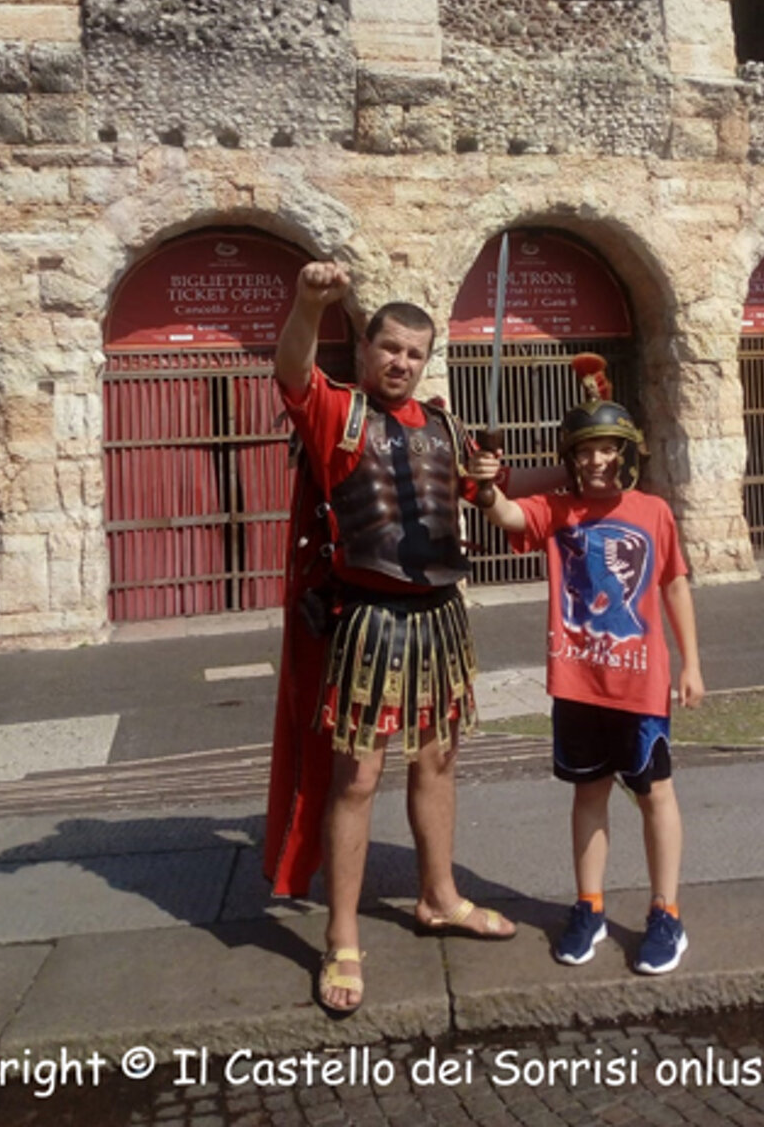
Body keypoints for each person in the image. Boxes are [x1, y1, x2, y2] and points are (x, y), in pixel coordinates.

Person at [268, 260, 515, 1016]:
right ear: (366, 349)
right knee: (358, 779)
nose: (401, 362)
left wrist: (494, 478)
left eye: (415, 352)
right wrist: (309, 301)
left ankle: (439, 896)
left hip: (442, 617)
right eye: (390, 348)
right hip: (367, 620)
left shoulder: (444, 424)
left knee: (438, 764)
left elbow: (481, 498)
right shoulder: (335, 414)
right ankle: (343, 936)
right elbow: (291, 369)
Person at [469, 354, 704, 975]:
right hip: (578, 681)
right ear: (571, 456)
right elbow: (509, 516)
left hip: (640, 683)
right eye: (585, 450)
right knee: (588, 794)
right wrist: (487, 486)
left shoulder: (653, 511)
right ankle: (590, 906)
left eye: (606, 449)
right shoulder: (557, 508)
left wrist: (690, 664)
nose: (596, 460)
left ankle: (666, 913)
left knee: (655, 794)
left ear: (625, 452)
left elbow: (675, 584)